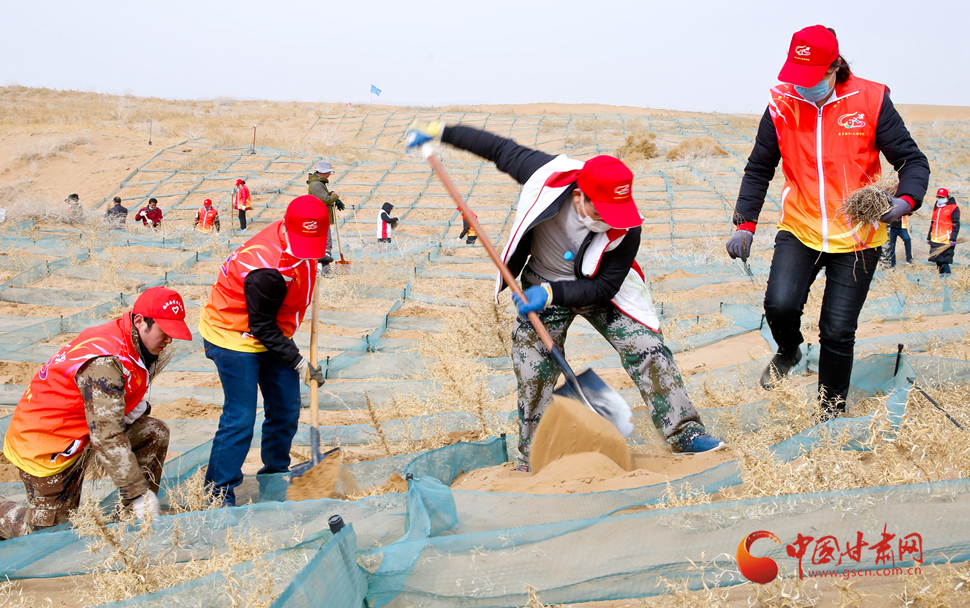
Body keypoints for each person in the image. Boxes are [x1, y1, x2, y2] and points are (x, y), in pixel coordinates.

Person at [405, 121, 725, 468]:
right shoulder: (546, 175)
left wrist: (551, 293)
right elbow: (497, 148)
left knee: (647, 347)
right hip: (542, 280)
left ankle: (685, 432)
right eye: (601, 212)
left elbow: (604, 288)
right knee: (532, 362)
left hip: (601, 289)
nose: (610, 220)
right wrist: (440, 132)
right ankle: (534, 452)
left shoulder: (628, 226)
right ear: (578, 197)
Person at [726, 25, 930, 416]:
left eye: (812, 77)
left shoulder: (871, 100)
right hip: (800, 228)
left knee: (837, 331)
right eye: (796, 77)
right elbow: (759, 168)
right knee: (780, 305)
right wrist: (744, 224)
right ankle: (789, 350)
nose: (802, 86)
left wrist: (906, 201)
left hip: (858, 237)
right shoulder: (781, 104)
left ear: (835, 67)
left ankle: (830, 412)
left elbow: (911, 160)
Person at [0, 287, 192, 542]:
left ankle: (132, 527)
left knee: (154, 432)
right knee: (49, 540)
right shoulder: (105, 361)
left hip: (82, 431)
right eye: (164, 331)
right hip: (47, 443)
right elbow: (107, 436)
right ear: (139, 322)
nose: (169, 340)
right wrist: (138, 493)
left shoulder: (138, 344)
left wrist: (132, 407)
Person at [199, 195, 327, 506]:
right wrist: (298, 362)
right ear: (288, 229)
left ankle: (273, 478)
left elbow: (272, 325)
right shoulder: (265, 268)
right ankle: (218, 494)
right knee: (241, 417)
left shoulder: (300, 238)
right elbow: (262, 327)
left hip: (271, 329)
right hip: (232, 333)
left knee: (285, 408)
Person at [307, 160, 345, 266]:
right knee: (324, 245)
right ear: (322, 172)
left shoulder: (319, 183)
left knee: (325, 244)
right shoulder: (316, 184)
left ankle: (323, 269)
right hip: (319, 218)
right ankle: (323, 270)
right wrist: (335, 196)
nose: (329, 174)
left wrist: (333, 196)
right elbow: (326, 199)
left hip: (321, 217)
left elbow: (324, 196)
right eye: (328, 172)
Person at [928, 188, 959, 276]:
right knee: (938, 262)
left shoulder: (953, 208)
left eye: (942, 197)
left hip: (946, 240)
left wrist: (953, 238)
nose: (940, 199)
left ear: (947, 197)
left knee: (944, 261)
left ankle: (948, 278)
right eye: (938, 197)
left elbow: (956, 224)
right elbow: (933, 223)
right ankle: (942, 279)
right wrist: (929, 237)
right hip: (935, 240)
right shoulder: (936, 207)